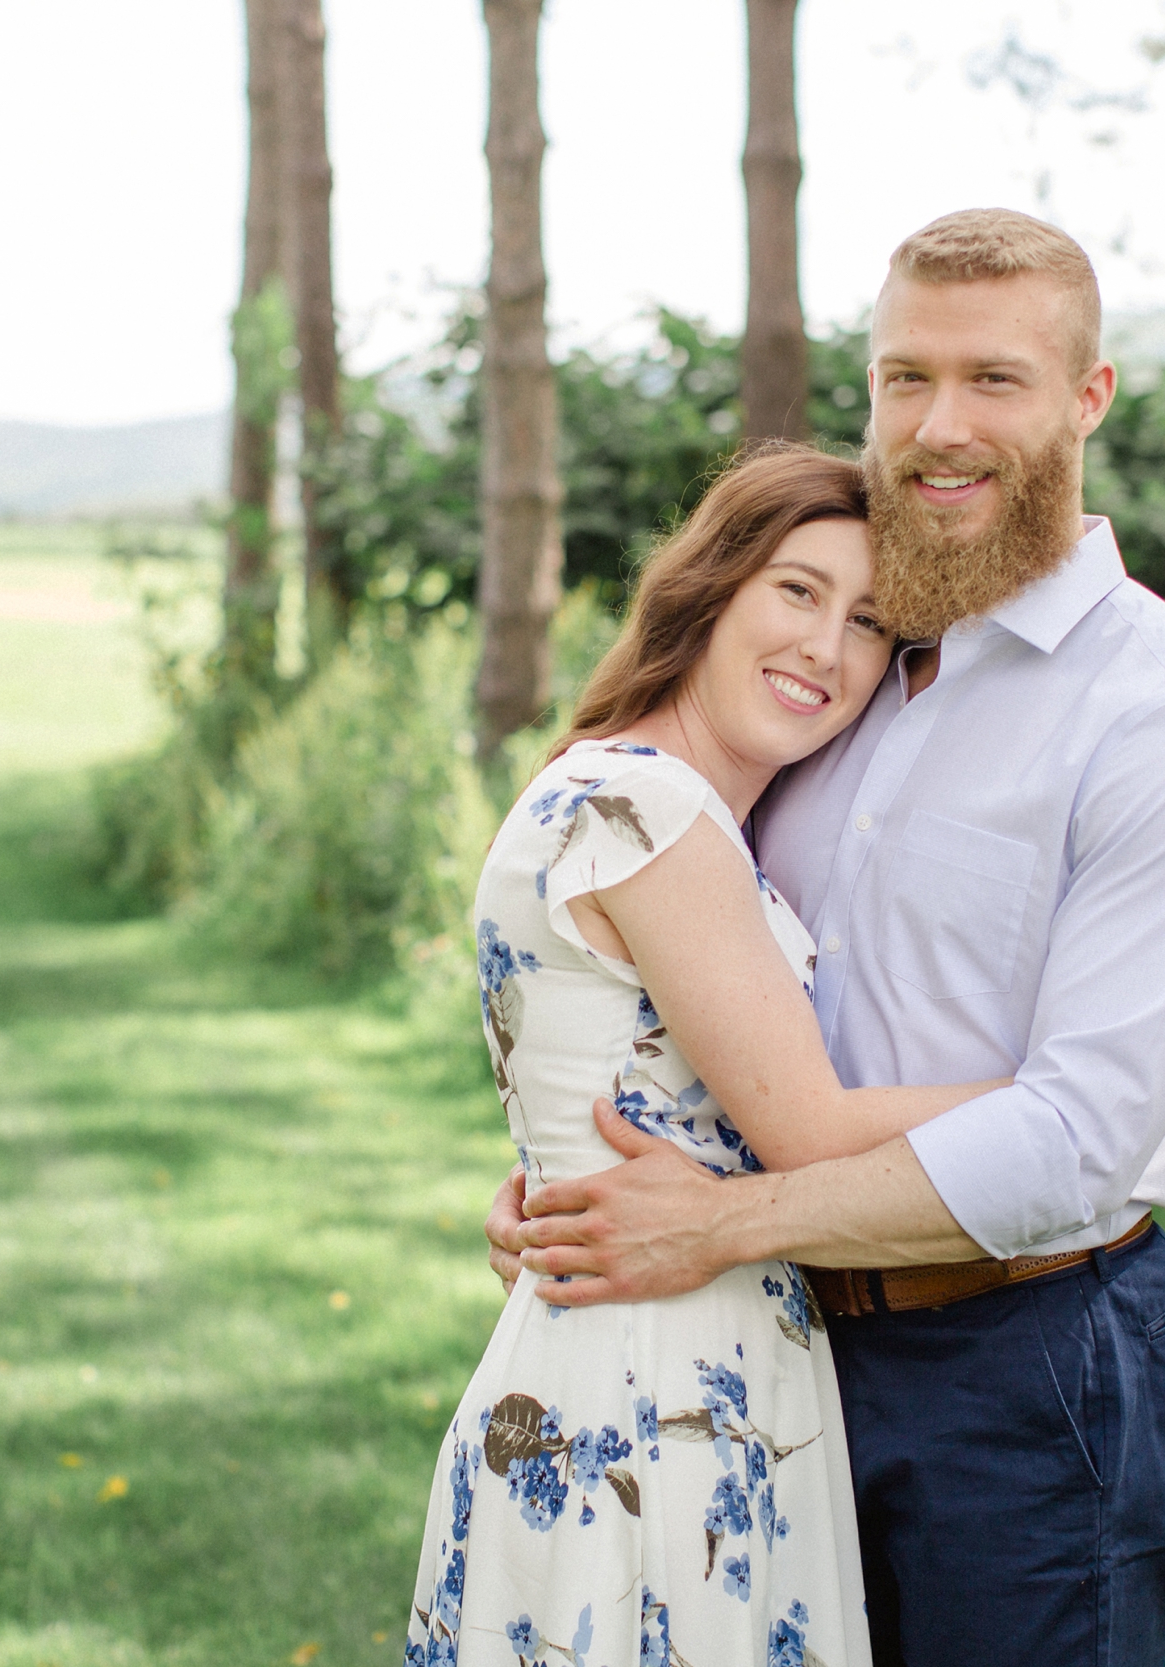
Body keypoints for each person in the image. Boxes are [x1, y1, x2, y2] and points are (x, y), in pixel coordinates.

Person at [487, 209, 1165, 1667]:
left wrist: (715, 1223)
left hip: (1022, 1364)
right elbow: (695, 999)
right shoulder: (834, 683)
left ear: (1089, 397)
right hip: (766, 1349)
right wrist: (581, 1185)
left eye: (994, 379)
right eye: (901, 377)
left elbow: (1077, 1139)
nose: (939, 425)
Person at [403, 446, 1015, 1667]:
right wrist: (1085, 1093)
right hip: (657, 1389)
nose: (826, 650)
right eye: (796, 591)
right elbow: (808, 1131)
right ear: (712, 586)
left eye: (869, 624)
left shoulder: (630, 796)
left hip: (633, 1350)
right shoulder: (655, 812)